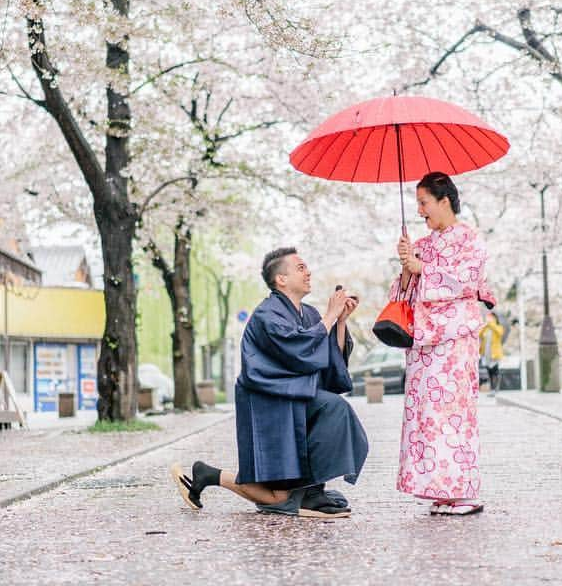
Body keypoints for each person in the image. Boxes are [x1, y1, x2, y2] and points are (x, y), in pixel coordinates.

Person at [171, 247, 368, 519]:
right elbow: (298, 350)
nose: (308, 271)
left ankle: (306, 489)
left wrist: (341, 321)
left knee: (332, 410)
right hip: (269, 402)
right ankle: (306, 492)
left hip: (294, 397)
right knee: (282, 493)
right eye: (300, 267)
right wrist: (331, 316)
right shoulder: (267, 314)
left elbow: (325, 357)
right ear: (281, 279)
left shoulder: (309, 314)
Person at [393, 171, 495, 516]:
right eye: (418, 204)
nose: (420, 211)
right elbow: (403, 295)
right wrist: (407, 267)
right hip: (424, 343)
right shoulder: (421, 245)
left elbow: (465, 282)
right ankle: (441, 488)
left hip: (453, 341)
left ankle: (465, 490)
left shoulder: (470, 240)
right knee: (428, 416)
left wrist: (421, 267)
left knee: (454, 413)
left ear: (444, 201)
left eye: (424, 202)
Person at [479, 311, 504, 395]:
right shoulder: (486, 328)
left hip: (495, 354)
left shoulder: (498, 326)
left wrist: (492, 324)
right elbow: (480, 334)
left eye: (491, 317)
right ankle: (492, 389)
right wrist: (485, 325)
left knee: (495, 371)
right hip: (486, 354)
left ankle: (495, 388)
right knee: (489, 371)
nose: (489, 319)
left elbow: (500, 333)